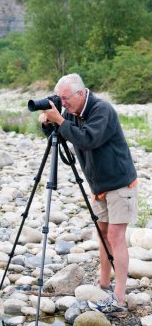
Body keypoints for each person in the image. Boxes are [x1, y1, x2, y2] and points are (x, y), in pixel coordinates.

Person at [39, 73, 138, 313]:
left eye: (66, 98)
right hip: (99, 186)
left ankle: (119, 299)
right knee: (102, 234)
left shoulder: (101, 110)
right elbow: (62, 134)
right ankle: (103, 285)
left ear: (81, 93)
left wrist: (61, 121)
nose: (63, 104)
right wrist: (48, 123)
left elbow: (88, 139)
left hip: (119, 182)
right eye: (59, 100)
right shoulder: (72, 113)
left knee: (115, 237)